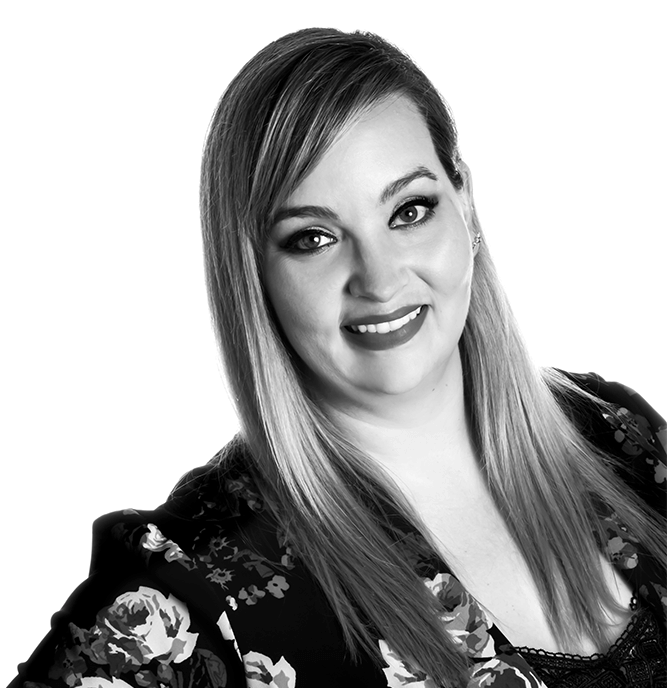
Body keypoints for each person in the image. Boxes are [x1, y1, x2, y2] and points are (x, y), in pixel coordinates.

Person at [10, 27, 667, 688]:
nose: (379, 279)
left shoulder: (618, 437)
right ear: (251, 271)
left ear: (464, 203)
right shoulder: (197, 585)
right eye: (314, 238)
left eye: (409, 210)